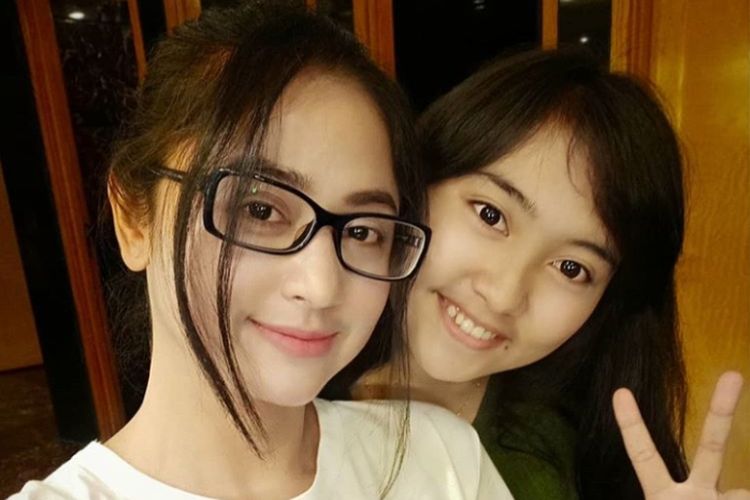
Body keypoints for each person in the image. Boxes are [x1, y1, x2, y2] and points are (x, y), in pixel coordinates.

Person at [11, 3, 512, 499]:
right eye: (258, 209)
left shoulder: (440, 459)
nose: (321, 287)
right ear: (133, 218)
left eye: (363, 232)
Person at [352, 49, 747, 499]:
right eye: (490, 215)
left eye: (571, 268)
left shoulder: (561, 471)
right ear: (416, 184)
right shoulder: (296, 382)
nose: (504, 295)